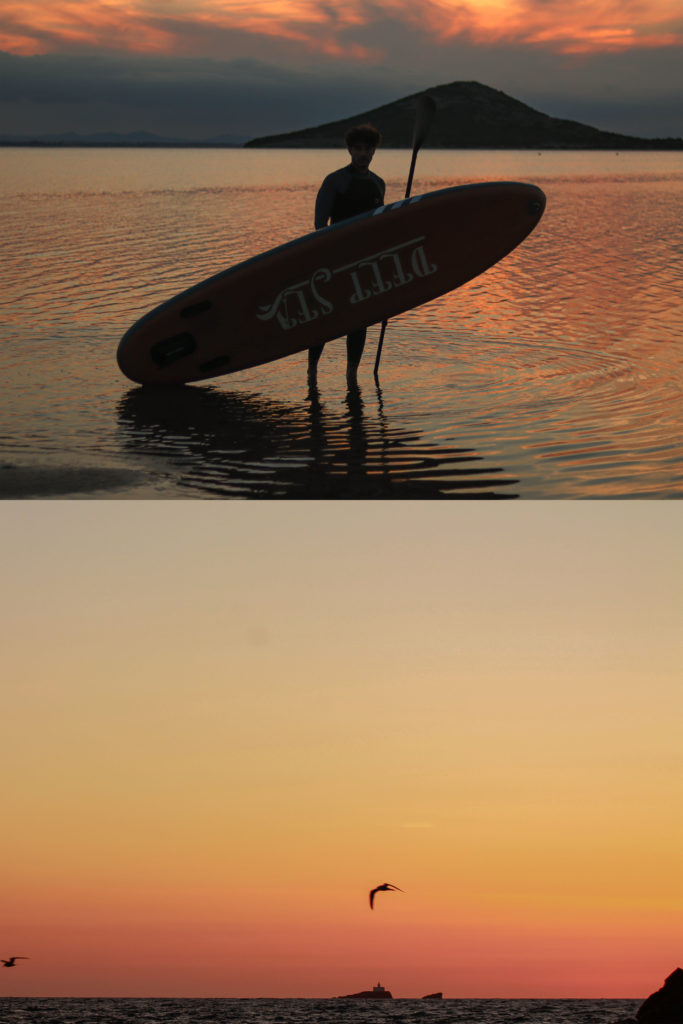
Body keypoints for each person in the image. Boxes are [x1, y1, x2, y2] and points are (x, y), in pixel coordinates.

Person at [308, 124, 385, 382]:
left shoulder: (378, 185)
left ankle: (351, 375)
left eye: (369, 149)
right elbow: (320, 223)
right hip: (333, 262)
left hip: (363, 263)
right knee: (324, 318)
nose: (364, 154)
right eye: (359, 149)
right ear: (350, 150)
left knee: (359, 320)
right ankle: (312, 372)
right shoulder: (335, 181)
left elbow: (379, 228)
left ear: (374, 151)